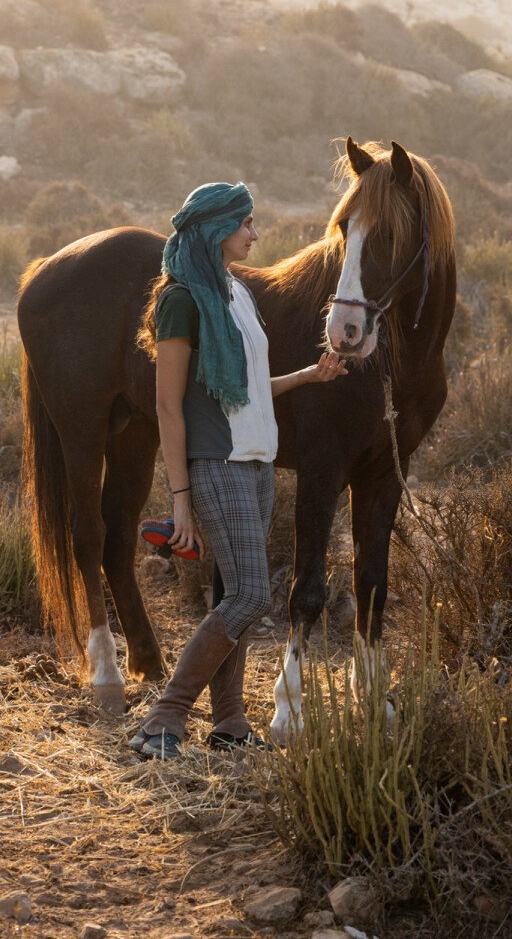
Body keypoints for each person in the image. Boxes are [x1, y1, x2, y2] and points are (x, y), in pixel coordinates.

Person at [131, 181, 346, 759]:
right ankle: (164, 717)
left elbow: (248, 388)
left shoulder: (236, 293)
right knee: (251, 594)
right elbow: (167, 405)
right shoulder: (181, 300)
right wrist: (180, 497)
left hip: (257, 462)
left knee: (235, 593)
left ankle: (228, 723)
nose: (255, 233)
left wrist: (307, 377)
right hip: (217, 464)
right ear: (216, 229)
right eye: (246, 223)